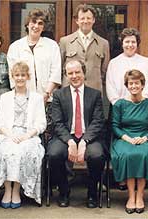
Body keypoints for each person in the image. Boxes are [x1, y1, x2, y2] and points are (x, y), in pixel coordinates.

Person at [0, 61, 46, 208]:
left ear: (28, 77)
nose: (20, 78)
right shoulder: (5, 97)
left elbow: (41, 124)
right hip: (8, 134)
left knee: (21, 152)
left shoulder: (37, 98)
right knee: (1, 153)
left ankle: (16, 190)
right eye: (17, 75)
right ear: (12, 76)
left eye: (23, 75)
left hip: (28, 136)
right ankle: (7, 190)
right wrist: (10, 135)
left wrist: (27, 136)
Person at [47, 60, 106, 208]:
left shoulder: (95, 95)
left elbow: (98, 121)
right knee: (54, 154)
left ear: (83, 72)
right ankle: (64, 191)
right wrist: (70, 141)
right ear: (66, 75)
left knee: (97, 156)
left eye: (77, 72)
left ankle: (92, 192)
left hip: (89, 137)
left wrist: (84, 141)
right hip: (66, 136)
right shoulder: (59, 95)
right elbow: (57, 122)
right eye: (70, 73)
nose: (74, 76)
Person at [111, 69, 148, 214]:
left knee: (144, 155)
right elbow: (115, 126)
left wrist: (144, 138)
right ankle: (131, 196)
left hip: (144, 138)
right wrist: (127, 138)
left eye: (137, 83)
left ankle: (140, 195)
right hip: (124, 138)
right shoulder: (119, 104)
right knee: (128, 155)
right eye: (131, 83)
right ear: (127, 85)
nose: (134, 86)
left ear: (142, 85)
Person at [7, 8, 61, 104]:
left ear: (43, 27)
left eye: (40, 23)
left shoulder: (52, 46)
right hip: (23, 99)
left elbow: (55, 72)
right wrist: (22, 95)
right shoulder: (15, 47)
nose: (36, 26)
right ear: (27, 24)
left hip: (48, 99)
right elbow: (12, 74)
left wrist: (47, 93)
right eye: (33, 22)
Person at [59, 4, 110, 93]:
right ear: (77, 21)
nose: (85, 21)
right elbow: (60, 68)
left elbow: (103, 71)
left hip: (94, 92)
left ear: (93, 20)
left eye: (88, 18)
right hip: (70, 92)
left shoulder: (103, 43)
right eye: (82, 18)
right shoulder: (65, 42)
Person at [106, 28, 148, 105]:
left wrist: (142, 103)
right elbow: (110, 86)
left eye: (133, 42)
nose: (130, 45)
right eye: (127, 42)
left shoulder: (145, 62)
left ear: (137, 44)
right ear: (122, 44)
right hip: (119, 106)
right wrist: (117, 103)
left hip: (141, 106)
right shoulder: (114, 63)